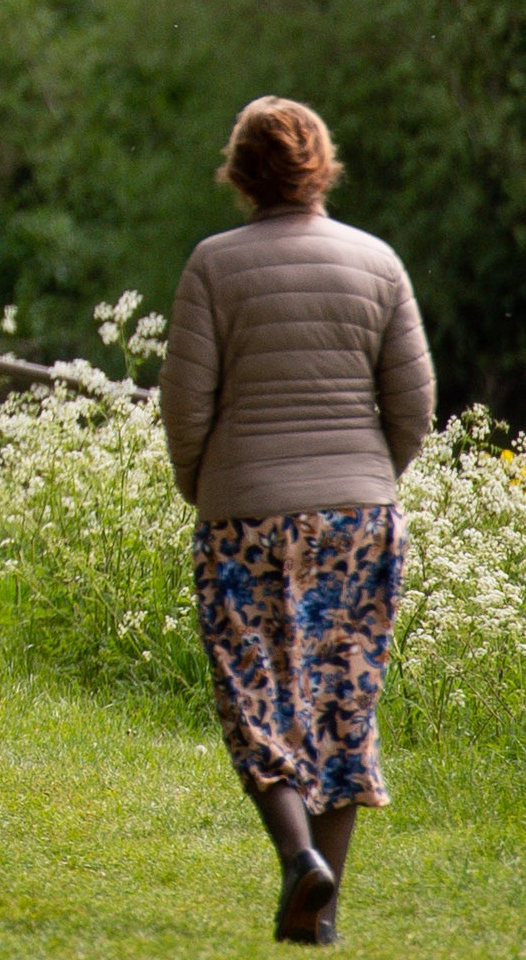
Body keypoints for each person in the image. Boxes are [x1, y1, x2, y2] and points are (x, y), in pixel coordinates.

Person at [158, 97, 433, 947]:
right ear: (323, 165)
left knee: (255, 697)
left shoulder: (213, 265)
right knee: (343, 705)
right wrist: (366, 479)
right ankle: (323, 909)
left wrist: (207, 484)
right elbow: (414, 405)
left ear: (240, 172)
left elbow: (184, 407)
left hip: (244, 516)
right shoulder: (378, 262)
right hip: (359, 516)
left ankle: (295, 863)